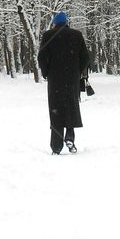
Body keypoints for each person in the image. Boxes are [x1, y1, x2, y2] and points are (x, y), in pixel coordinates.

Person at [37, 11, 90, 155]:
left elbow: (41, 57)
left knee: (56, 110)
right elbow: (85, 57)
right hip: (72, 79)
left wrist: (47, 72)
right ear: (67, 22)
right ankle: (70, 137)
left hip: (55, 80)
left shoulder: (48, 36)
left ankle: (56, 146)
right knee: (71, 106)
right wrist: (77, 71)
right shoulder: (76, 35)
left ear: (55, 23)